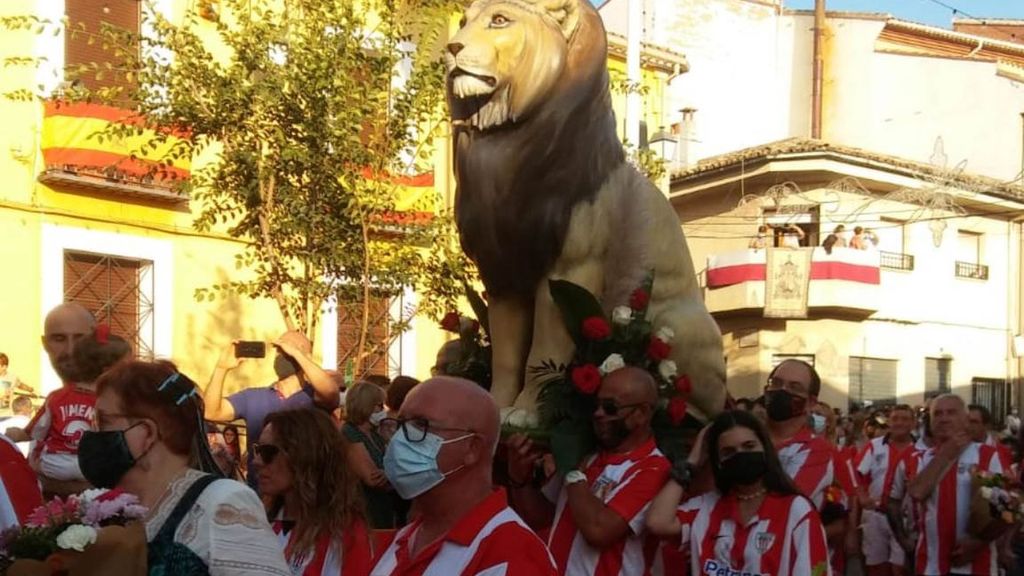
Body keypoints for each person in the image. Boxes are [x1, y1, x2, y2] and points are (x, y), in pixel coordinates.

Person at [82, 360, 290, 575]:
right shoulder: (111, 506)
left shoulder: (222, 501)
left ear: (146, 433)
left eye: (102, 420)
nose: (91, 432)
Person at [370, 377, 556, 576]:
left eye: (421, 425)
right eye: (400, 424)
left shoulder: (510, 555)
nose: (400, 439)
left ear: (472, 448)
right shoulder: (405, 539)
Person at [506, 367, 670, 576]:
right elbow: (540, 518)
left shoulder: (653, 468)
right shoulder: (585, 454)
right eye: (597, 405)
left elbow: (598, 530)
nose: (598, 413)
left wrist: (572, 471)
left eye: (610, 407)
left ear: (642, 414)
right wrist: (519, 479)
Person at [647, 410, 831, 575]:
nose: (741, 455)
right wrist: (692, 463)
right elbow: (657, 522)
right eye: (728, 452)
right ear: (718, 461)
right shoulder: (706, 506)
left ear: (765, 449)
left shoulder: (796, 511)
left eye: (749, 446)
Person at [203, 331, 340, 492]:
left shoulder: (313, 397)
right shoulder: (252, 397)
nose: (282, 354)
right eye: (279, 350)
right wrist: (221, 368)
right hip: (261, 497)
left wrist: (299, 356)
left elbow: (331, 393)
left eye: (288, 348)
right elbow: (211, 412)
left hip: (306, 497)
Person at [888, 394, 1008, 576]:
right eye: (937, 414)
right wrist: (947, 453)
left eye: (951, 413)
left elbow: (1004, 509)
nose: (943, 418)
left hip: (977, 566)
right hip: (929, 566)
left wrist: (978, 543)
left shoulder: (988, 456)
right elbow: (916, 492)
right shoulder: (917, 459)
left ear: (965, 419)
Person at [764, 359, 859, 572]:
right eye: (776, 383)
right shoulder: (744, 440)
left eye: (794, 387)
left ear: (810, 402)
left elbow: (778, 504)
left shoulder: (820, 452)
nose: (782, 391)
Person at [257, 409, 373, 576]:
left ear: (304, 456)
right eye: (258, 450)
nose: (257, 461)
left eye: (268, 453)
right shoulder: (257, 521)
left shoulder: (345, 532)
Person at [29, 326, 130, 496]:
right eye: (129, 366)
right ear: (109, 370)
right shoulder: (111, 402)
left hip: (55, 465)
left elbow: (36, 431)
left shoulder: (57, 397)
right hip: (91, 469)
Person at [854, 404, 915, 576]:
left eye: (905, 419)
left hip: (904, 521)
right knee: (876, 567)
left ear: (913, 423)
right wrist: (862, 497)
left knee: (901, 568)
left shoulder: (921, 449)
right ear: (889, 422)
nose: (899, 423)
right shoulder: (874, 446)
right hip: (876, 515)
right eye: (895, 419)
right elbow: (856, 475)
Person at [342, 381, 400, 529]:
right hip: (364, 511)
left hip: (383, 509)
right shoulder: (350, 433)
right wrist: (393, 475)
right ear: (366, 406)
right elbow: (373, 478)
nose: (384, 410)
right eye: (380, 405)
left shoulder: (376, 434)